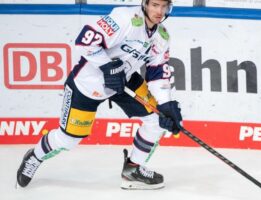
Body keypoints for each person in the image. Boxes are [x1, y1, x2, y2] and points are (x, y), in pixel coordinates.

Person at [16, 0, 182, 190]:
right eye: (155, 5)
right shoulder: (124, 18)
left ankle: (133, 169)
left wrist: (165, 104)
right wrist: (106, 66)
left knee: (157, 119)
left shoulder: (162, 36)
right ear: (145, 4)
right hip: (89, 82)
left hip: (124, 80)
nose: (159, 11)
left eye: (164, 6)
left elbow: (158, 72)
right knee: (68, 140)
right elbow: (84, 40)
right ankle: (35, 156)